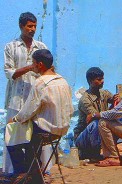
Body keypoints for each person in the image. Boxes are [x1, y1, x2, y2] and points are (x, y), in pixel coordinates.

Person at [6, 49, 73, 179]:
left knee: (10, 130)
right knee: (28, 133)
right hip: (62, 128)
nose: (33, 66)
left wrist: (14, 119)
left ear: (40, 64)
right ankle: (34, 171)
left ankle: (22, 172)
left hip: (46, 130)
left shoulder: (40, 82)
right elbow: (70, 109)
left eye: (34, 63)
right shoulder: (63, 81)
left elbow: (28, 110)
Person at [3, 12, 50, 175]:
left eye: (35, 26)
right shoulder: (11, 47)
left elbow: (48, 71)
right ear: (21, 26)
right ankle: (15, 171)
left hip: (36, 98)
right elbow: (10, 73)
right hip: (16, 99)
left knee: (35, 135)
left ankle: (38, 170)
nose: (33, 29)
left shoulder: (41, 47)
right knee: (13, 134)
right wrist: (31, 67)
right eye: (29, 26)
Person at [74, 67, 118, 161]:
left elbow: (113, 103)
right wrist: (112, 110)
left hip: (98, 132)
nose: (102, 81)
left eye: (102, 79)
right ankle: (94, 153)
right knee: (96, 123)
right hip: (83, 137)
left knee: (119, 118)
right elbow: (95, 116)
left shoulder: (104, 93)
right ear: (90, 81)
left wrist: (116, 100)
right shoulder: (85, 100)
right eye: (99, 79)